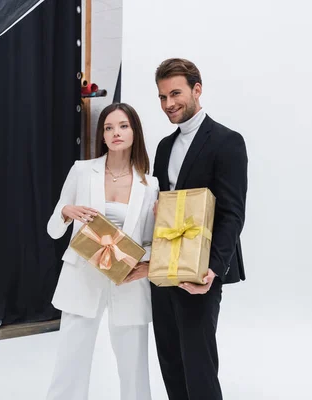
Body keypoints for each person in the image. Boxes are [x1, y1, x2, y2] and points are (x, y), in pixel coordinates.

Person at [150, 58, 248, 400]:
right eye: (162, 97)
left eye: (175, 93)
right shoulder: (164, 147)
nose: (168, 104)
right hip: (164, 272)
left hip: (200, 273)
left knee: (198, 364)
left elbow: (233, 213)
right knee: (170, 362)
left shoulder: (227, 141)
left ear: (197, 89)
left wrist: (212, 270)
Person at [46, 103, 158, 400]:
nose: (115, 133)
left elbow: (149, 242)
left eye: (123, 126)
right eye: (108, 128)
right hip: (82, 275)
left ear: (135, 132)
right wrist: (66, 212)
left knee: (134, 365)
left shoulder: (151, 185)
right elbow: (53, 229)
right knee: (70, 360)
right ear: (102, 136)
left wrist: (139, 259)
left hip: (128, 279)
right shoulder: (82, 171)